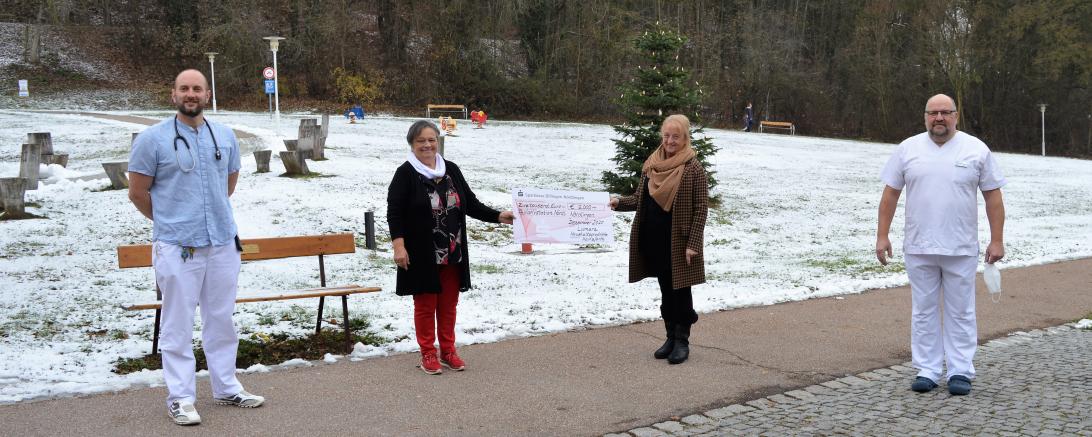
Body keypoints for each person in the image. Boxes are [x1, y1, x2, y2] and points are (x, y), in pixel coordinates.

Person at [128, 69, 265, 426]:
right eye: (184, 88)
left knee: (221, 319)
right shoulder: (152, 140)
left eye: (197, 89)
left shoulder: (225, 136)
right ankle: (180, 397)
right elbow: (137, 193)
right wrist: (170, 222)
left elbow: (228, 185)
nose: (191, 94)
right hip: (177, 245)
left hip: (222, 242)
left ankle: (226, 386)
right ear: (173, 95)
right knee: (177, 323)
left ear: (207, 95)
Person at [876, 94, 1007, 396]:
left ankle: (960, 370)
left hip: (960, 247)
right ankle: (928, 369)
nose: (939, 118)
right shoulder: (908, 149)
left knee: (961, 311)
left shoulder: (976, 149)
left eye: (945, 112)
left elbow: (993, 197)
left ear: (956, 116)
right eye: (933, 113)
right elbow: (890, 194)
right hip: (919, 246)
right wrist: (882, 235)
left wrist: (997, 239)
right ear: (925, 117)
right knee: (923, 311)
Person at [387, 120, 514, 375]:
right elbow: (395, 213)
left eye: (431, 139)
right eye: (421, 141)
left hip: (453, 251)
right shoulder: (405, 173)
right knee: (425, 305)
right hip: (422, 253)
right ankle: (427, 352)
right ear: (412, 144)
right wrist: (399, 246)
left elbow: (470, 204)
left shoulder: (451, 170)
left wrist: (499, 216)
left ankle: (448, 351)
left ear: (438, 141)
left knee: (448, 305)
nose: (427, 145)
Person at [609, 114, 708, 365]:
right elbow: (638, 199)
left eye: (676, 136)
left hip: (679, 241)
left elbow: (701, 209)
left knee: (680, 291)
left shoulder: (693, 168)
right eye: (666, 135)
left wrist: (693, 244)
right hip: (654, 238)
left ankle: (682, 341)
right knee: (665, 290)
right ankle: (670, 337)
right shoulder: (652, 164)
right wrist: (619, 202)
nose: (670, 141)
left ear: (685, 138)